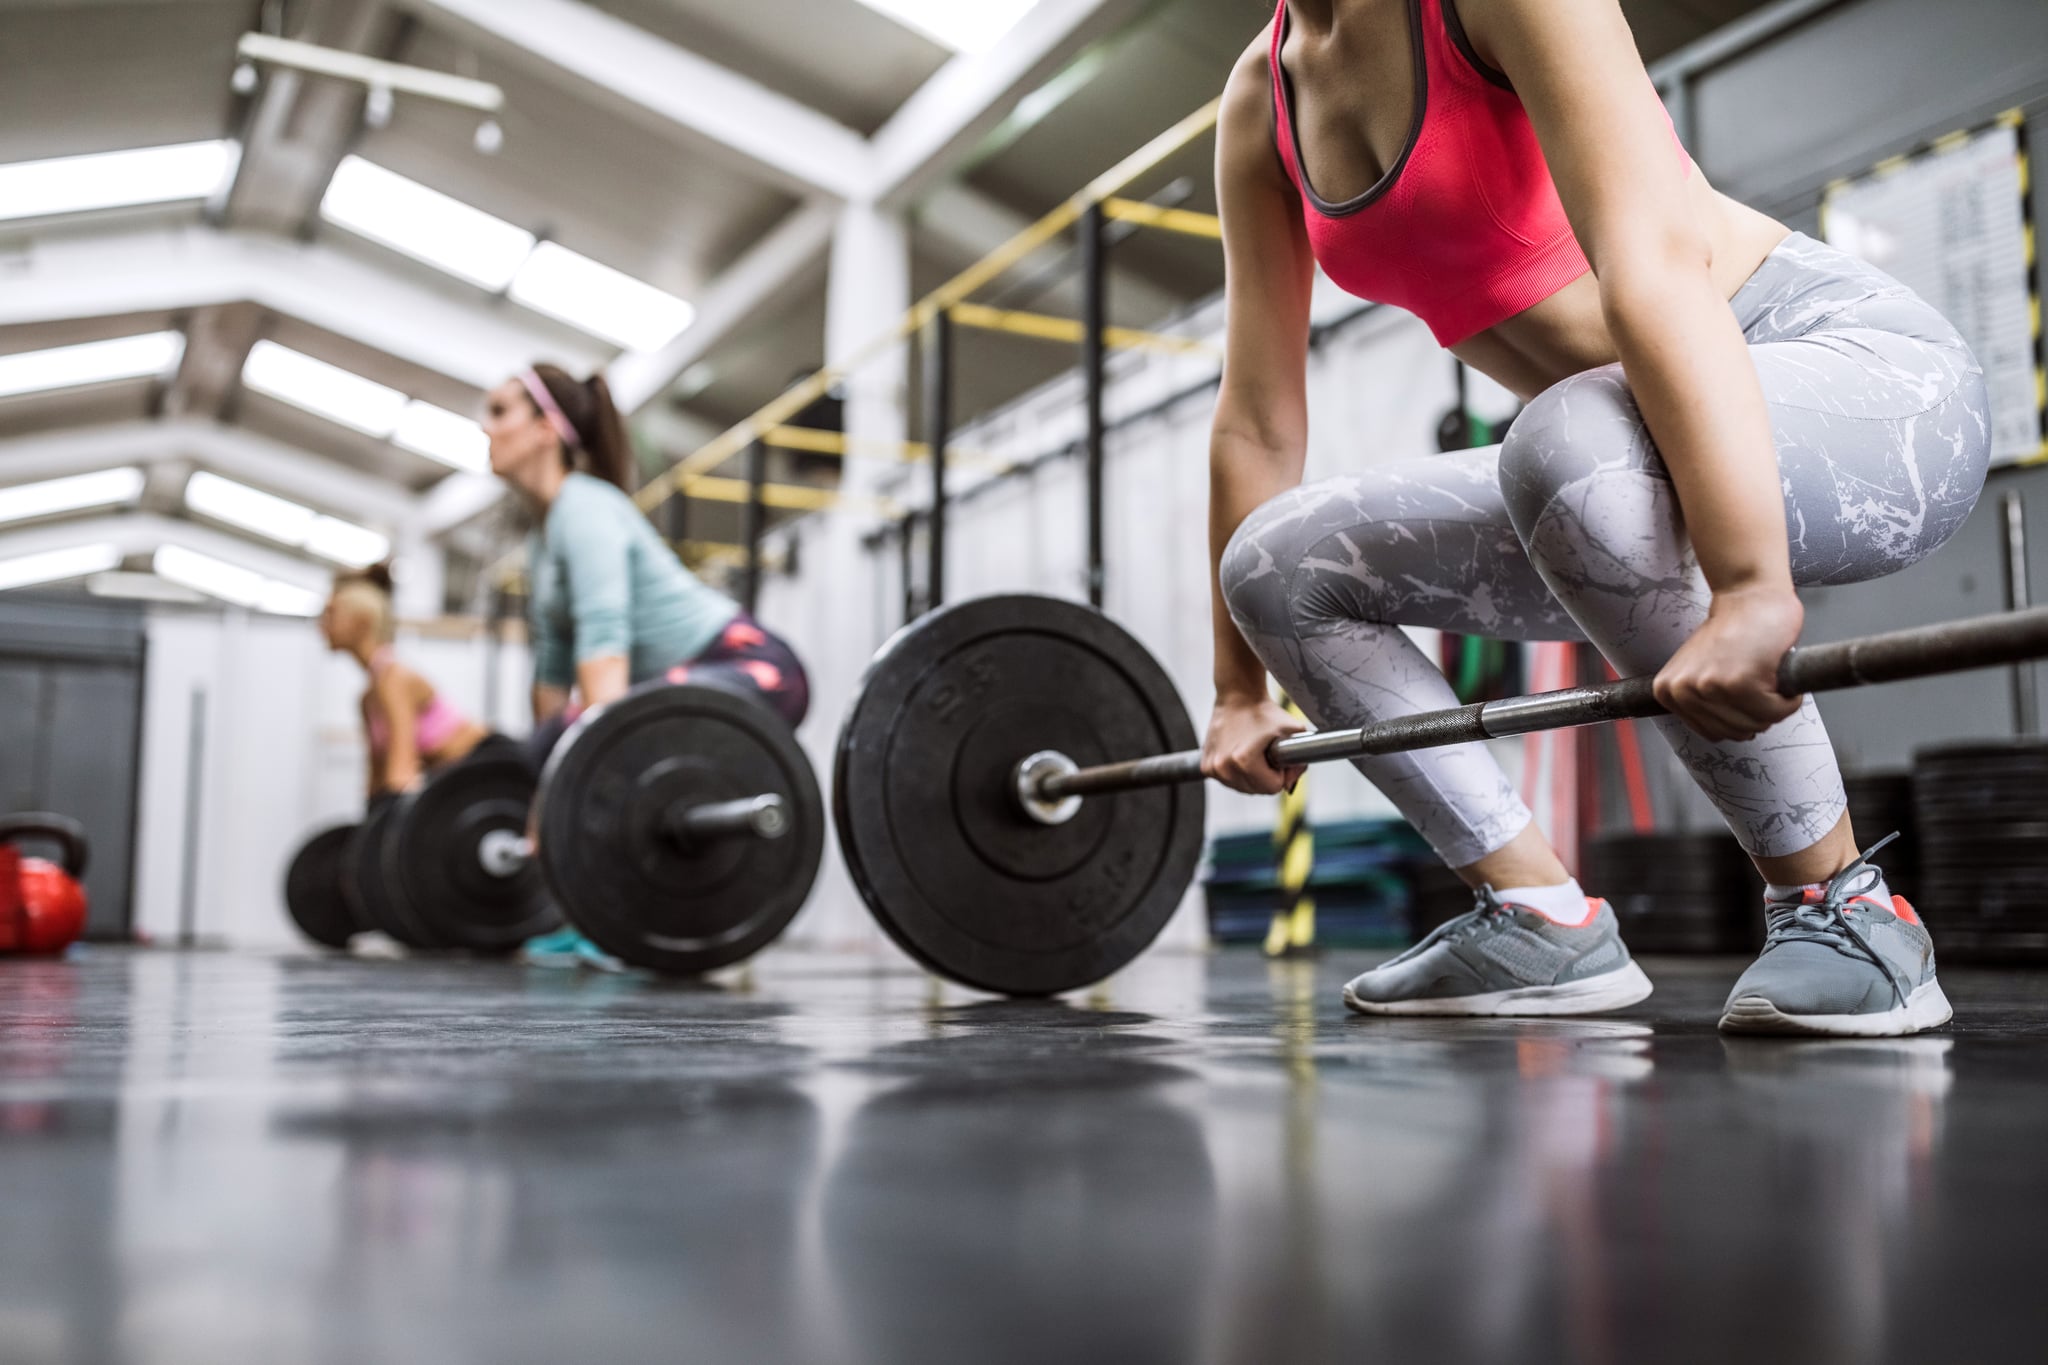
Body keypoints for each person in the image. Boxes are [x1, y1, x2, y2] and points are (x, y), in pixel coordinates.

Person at [1204, 0, 1989, 1035]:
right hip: (1608, 456)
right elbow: (1256, 420)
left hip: (1863, 390)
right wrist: (1234, 690)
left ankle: (1842, 906)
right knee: (1276, 560)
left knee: (1568, 436)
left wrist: (1748, 585)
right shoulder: (1263, 94)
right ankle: (1539, 917)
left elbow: (1651, 262)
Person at [486, 363, 811, 967]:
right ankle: (578, 913)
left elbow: (604, 643)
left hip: (752, 667)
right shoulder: (544, 535)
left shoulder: (586, 508)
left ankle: (613, 918)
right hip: (670, 684)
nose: (486, 426)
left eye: (500, 410)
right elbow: (553, 681)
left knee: (621, 742)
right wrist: (544, 797)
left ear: (544, 430)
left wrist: (578, 775)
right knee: (544, 751)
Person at [319, 564, 490, 800]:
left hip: (490, 766)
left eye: (331, 613)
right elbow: (375, 786)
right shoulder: (367, 699)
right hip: (453, 779)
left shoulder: (394, 680)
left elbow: (401, 776)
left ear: (362, 622)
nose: (322, 624)